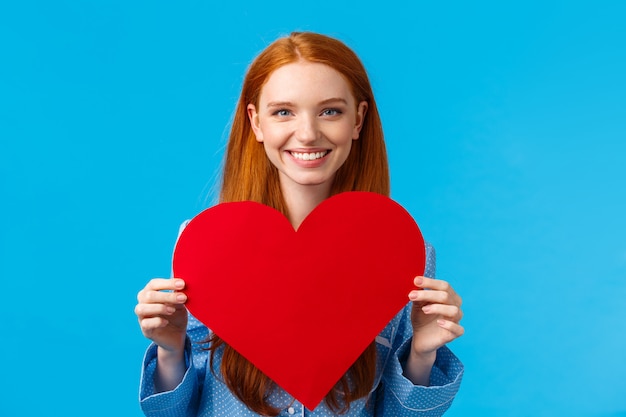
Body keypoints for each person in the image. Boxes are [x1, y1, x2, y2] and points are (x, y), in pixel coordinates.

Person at [135, 31, 464, 417]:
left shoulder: (403, 253)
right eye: (283, 112)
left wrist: (422, 353)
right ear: (256, 123)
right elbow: (171, 413)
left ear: (357, 120)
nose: (307, 133)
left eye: (330, 111)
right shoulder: (204, 244)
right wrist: (170, 351)